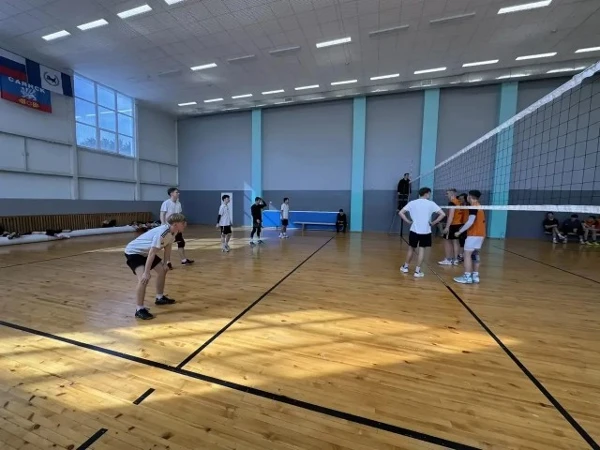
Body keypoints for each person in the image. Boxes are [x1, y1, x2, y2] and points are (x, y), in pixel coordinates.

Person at [124, 213, 186, 320]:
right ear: (175, 224)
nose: (185, 224)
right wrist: (146, 272)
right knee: (143, 279)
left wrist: (166, 262)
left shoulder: (174, 231)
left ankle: (159, 298)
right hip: (134, 252)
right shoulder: (162, 232)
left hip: (146, 253)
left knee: (162, 270)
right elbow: (152, 253)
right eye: (183, 223)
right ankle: (139, 309)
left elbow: (168, 246)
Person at [398, 187, 445, 278]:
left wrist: (408, 221)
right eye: (429, 193)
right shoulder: (431, 203)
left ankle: (405, 267)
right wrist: (433, 223)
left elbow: (401, 212)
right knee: (422, 250)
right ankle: (417, 271)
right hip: (426, 231)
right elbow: (442, 214)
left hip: (414, 230)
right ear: (426, 193)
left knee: (411, 249)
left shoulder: (412, 203)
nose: (430, 195)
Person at [454, 190, 486, 285]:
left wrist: (460, 231)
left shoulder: (473, 206)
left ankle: (467, 276)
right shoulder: (479, 206)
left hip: (473, 234)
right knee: (475, 254)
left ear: (469, 196)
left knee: (467, 255)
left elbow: (470, 221)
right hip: (481, 234)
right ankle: (475, 276)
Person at [160, 187, 194, 267]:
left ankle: (183, 260)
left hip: (177, 228)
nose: (178, 193)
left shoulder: (178, 203)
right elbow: (162, 214)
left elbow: (180, 215)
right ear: (171, 194)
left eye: (178, 192)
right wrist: (163, 224)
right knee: (168, 245)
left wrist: (183, 222)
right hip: (169, 228)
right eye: (176, 192)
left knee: (181, 242)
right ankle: (167, 262)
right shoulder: (166, 203)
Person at [439, 189, 462, 266]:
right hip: (458, 224)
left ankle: (448, 259)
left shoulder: (452, 203)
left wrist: (447, 227)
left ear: (452, 194)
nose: (446, 195)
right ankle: (455, 260)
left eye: (447, 193)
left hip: (452, 224)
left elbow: (451, 216)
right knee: (455, 242)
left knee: (447, 241)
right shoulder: (459, 202)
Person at [455, 193, 469, 262]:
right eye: (459, 199)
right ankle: (461, 255)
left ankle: (461, 255)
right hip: (461, 224)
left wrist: (463, 226)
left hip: (466, 225)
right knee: (461, 241)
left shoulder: (469, 206)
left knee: (463, 241)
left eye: (461, 199)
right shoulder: (461, 206)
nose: (460, 200)